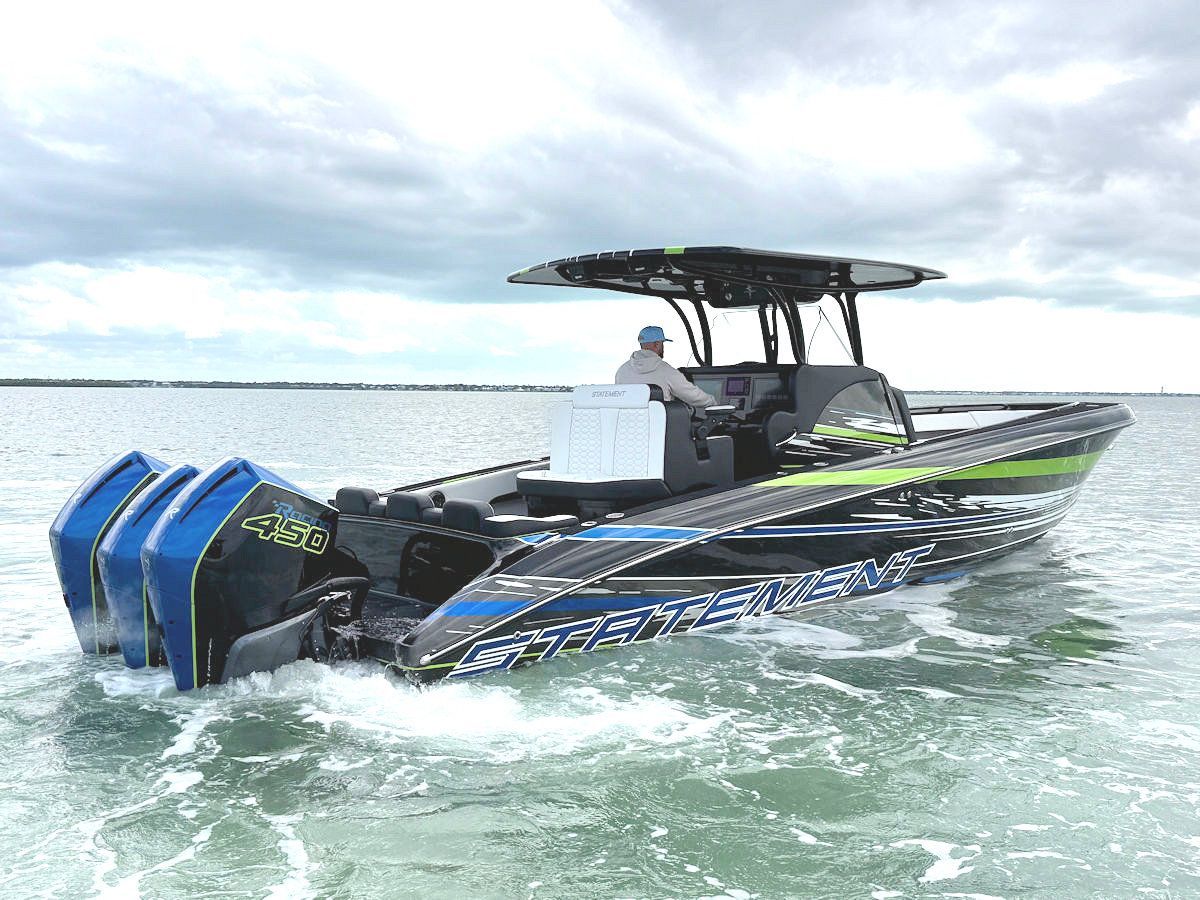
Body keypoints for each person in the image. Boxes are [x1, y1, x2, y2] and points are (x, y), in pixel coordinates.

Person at [614, 325, 715, 412]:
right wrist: (713, 402)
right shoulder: (666, 371)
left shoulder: (622, 371)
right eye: (662, 344)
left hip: (634, 428)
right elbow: (693, 396)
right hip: (663, 428)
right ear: (657, 344)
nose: (663, 347)